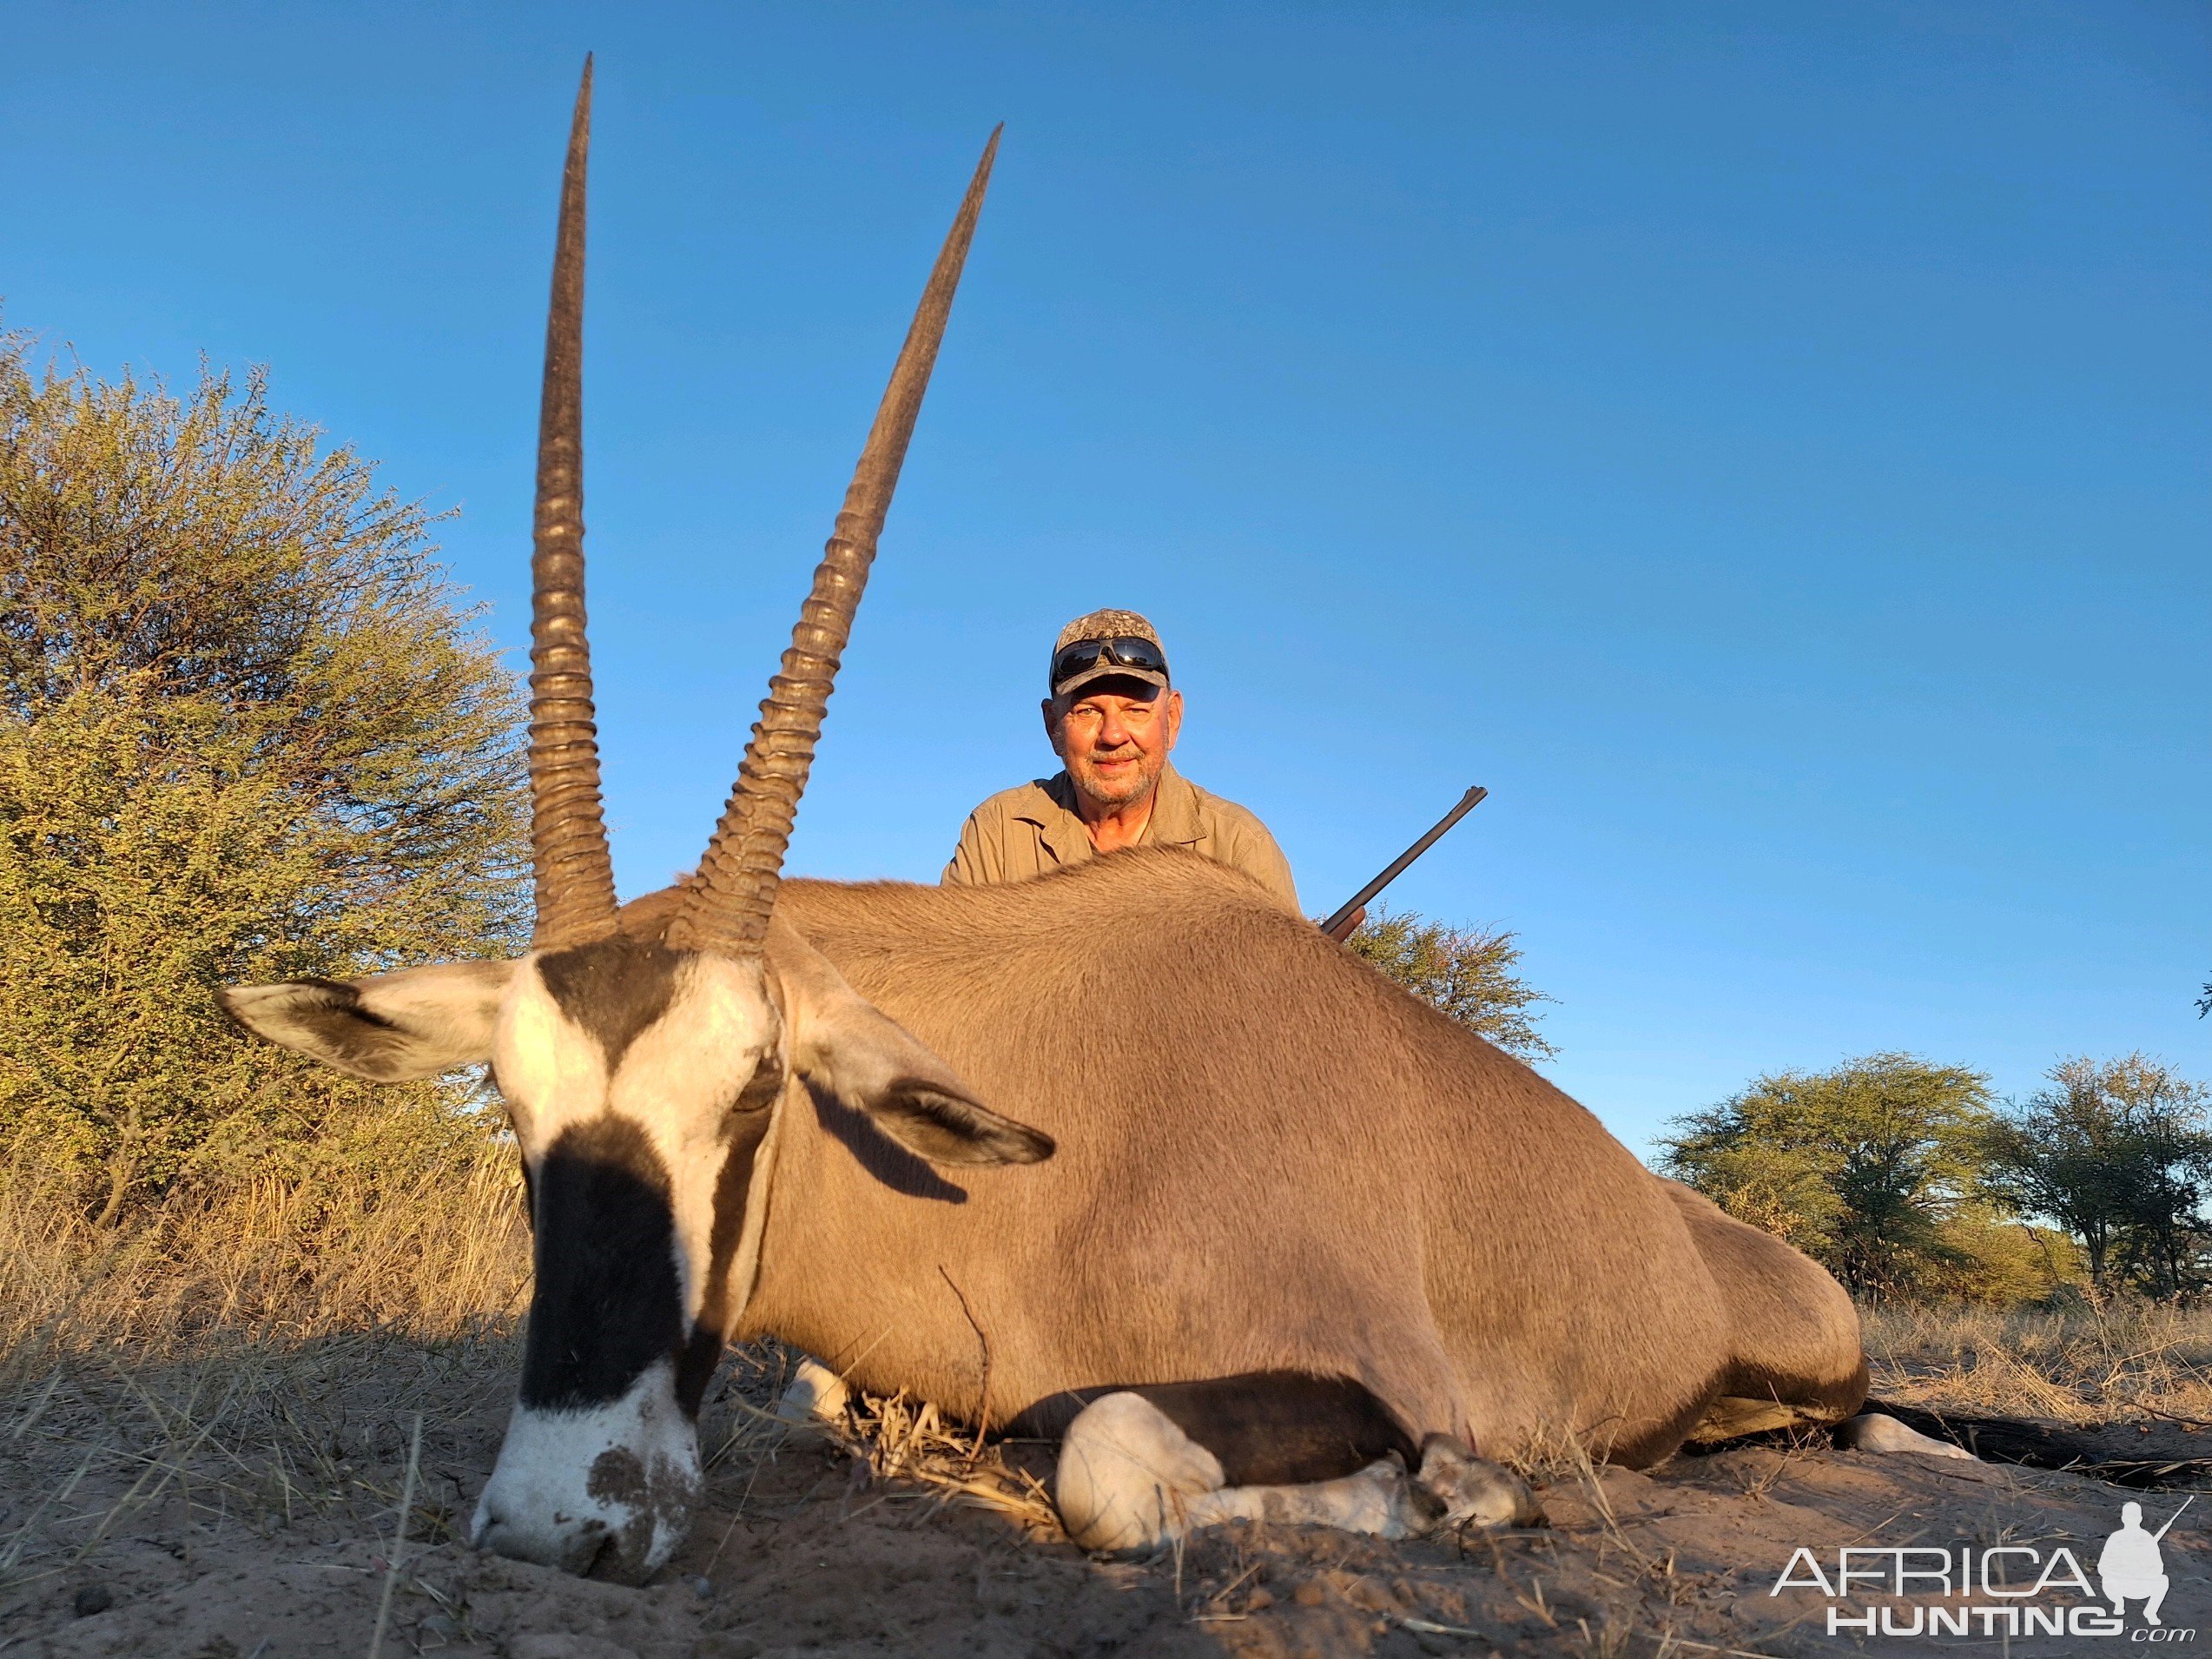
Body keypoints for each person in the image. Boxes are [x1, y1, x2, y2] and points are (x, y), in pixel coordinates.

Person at [943, 608, 1298, 910]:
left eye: (1136, 710)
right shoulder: (999, 833)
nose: (1113, 735)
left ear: (1171, 720)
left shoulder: (1238, 848)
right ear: (1053, 725)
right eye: (1087, 712)